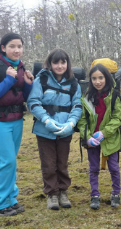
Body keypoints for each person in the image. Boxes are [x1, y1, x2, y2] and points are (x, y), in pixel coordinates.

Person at [0, 32, 34, 216]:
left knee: (11, 161)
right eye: (12, 46)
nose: (16, 50)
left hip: (17, 118)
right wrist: (8, 80)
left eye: (19, 46)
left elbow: (24, 97)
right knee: (7, 161)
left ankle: (10, 199)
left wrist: (28, 83)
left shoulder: (20, 67)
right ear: (3, 48)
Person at [27, 49, 82, 210]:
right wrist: (46, 120)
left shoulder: (73, 82)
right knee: (49, 164)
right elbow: (33, 102)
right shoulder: (41, 80)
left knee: (62, 163)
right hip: (44, 130)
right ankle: (52, 193)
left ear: (67, 63)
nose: (59, 66)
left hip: (65, 130)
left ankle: (63, 191)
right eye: (56, 62)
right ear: (50, 64)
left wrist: (71, 123)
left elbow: (77, 105)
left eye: (63, 62)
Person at [77, 64, 121, 210]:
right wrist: (87, 137)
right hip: (92, 140)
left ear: (106, 78)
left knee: (114, 168)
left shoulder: (114, 95)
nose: (98, 81)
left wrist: (104, 132)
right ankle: (94, 195)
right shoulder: (86, 97)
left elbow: (118, 117)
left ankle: (116, 193)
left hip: (110, 138)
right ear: (90, 80)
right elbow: (82, 120)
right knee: (94, 167)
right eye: (94, 78)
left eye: (101, 78)